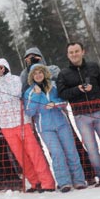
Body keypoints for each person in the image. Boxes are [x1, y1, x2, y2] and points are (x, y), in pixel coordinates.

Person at [57, 42, 100, 185]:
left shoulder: (93, 66)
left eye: (77, 51)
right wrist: (78, 89)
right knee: (92, 149)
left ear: (83, 52)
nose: (74, 54)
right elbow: (62, 94)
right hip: (81, 116)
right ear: (68, 55)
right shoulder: (63, 73)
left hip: (99, 112)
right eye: (71, 52)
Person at [0, 58, 56, 192]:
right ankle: (35, 182)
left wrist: (3, 78)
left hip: (21, 121)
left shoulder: (14, 79)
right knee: (20, 156)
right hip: (6, 125)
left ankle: (47, 182)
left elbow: (15, 93)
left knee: (34, 153)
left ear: (5, 67)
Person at [24, 64, 86, 192]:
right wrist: (36, 95)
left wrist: (55, 104)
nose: (38, 75)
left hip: (62, 123)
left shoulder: (54, 85)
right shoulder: (29, 92)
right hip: (45, 128)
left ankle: (79, 180)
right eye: (35, 73)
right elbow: (29, 112)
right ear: (32, 76)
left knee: (71, 151)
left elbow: (64, 101)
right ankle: (64, 182)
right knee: (57, 153)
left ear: (45, 73)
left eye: (40, 72)